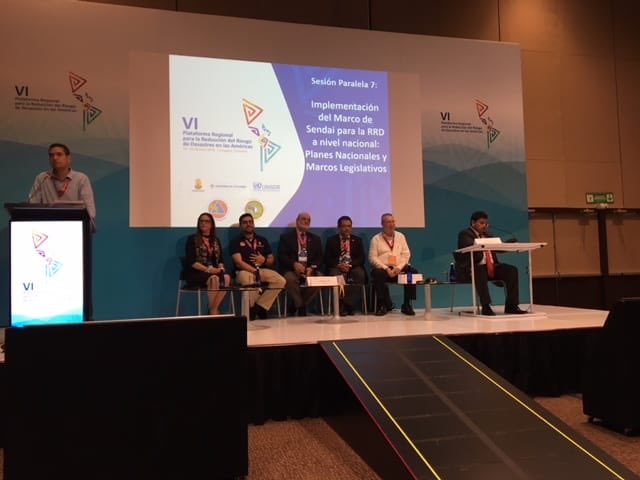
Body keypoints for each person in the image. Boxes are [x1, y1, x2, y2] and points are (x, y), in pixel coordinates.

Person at [455, 210, 526, 316]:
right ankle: (486, 306)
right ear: (473, 222)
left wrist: (508, 244)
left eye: (486, 223)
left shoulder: (488, 235)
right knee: (479, 270)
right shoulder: (465, 234)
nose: (485, 226)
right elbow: (470, 247)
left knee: (511, 270)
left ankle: (511, 306)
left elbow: (498, 248)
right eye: (481, 223)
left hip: (491, 267)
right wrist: (485, 241)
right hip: (472, 268)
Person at [29, 143, 96, 231]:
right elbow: (32, 206)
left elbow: (90, 211)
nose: (55, 158)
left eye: (59, 154)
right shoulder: (42, 178)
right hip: (48, 229)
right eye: (51, 155)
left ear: (68, 158)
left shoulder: (81, 179)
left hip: (74, 229)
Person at [230, 213, 285, 320]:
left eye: (250, 222)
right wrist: (255, 271)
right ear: (240, 226)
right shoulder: (235, 242)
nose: (248, 224)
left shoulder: (262, 240)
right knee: (247, 278)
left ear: (254, 224)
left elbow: (271, 259)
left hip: (262, 270)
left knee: (280, 280)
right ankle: (252, 308)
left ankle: (259, 307)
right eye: (245, 222)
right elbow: (238, 262)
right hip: (243, 271)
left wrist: (264, 260)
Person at [369, 213, 418, 316]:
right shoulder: (376, 239)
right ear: (382, 224)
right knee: (378, 273)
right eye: (388, 222)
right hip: (383, 269)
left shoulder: (400, 236)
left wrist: (399, 268)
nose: (391, 224)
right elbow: (372, 258)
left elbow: (406, 254)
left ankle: (407, 304)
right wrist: (386, 268)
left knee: (412, 272)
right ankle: (382, 305)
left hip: (398, 268)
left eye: (393, 222)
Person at [183, 212, 232, 315]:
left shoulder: (216, 240)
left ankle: (213, 308)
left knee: (226, 278)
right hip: (196, 272)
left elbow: (220, 259)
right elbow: (191, 262)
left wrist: (221, 267)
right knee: (214, 278)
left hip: (213, 271)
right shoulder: (192, 239)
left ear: (211, 224)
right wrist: (209, 270)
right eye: (201, 221)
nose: (203, 223)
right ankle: (213, 311)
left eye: (206, 221)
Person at [278, 212, 323, 316]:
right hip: (291, 269)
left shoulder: (315, 239)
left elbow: (319, 258)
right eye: (303, 219)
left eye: (308, 220)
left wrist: (311, 268)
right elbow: (282, 256)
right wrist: (294, 264)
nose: (306, 221)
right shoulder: (286, 237)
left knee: (319, 279)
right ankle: (301, 307)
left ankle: (297, 304)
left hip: (309, 269)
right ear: (297, 221)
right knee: (290, 279)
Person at [324, 215, 366, 315]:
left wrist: (349, 265)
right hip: (337, 267)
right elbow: (327, 259)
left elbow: (361, 258)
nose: (347, 228)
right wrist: (339, 265)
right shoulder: (331, 240)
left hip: (352, 267)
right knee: (336, 275)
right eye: (344, 226)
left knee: (360, 274)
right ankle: (340, 305)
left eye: (349, 226)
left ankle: (348, 303)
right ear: (338, 227)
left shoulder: (357, 240)